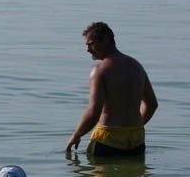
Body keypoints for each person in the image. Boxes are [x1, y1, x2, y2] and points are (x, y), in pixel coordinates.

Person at [65, 22, 158, 157]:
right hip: (136, 140)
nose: (88, 49)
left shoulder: (100, 70)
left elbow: (94, 111)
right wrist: (135, 126)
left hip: (108, 140)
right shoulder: (137, 67)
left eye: (90, 44)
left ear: (106, 40)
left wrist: (76, 135)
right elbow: (152, 104)